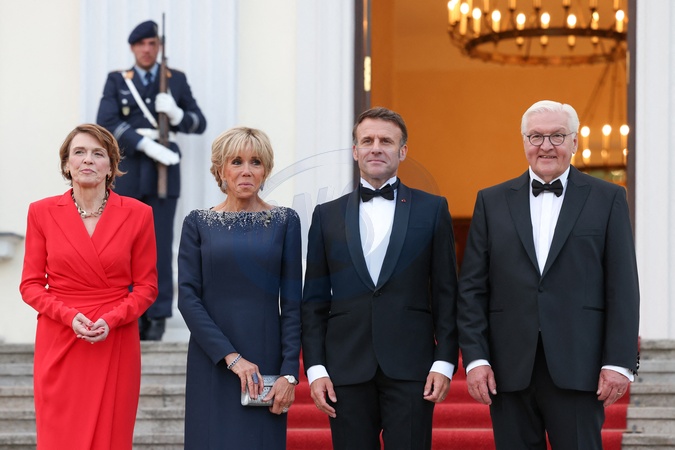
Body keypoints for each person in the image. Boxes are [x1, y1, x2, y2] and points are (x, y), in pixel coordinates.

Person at [458, 100, 640, 449]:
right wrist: (476, 358)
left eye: (557, 136)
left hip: (581, 365)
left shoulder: (609, 198)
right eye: (536, 136)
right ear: (524, 141)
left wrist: (619, 362)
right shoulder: (491, 201)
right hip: (507, 368)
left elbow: (623, 287)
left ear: (575, 142)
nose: (545, 146)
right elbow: (472, 289)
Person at [301, 107, 459, 450]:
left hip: (413, 366)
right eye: (367, 140)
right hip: (345, 367)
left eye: (386, 141)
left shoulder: (433, 209)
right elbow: (313, 300)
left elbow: (446, 292)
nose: (376, 148)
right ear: (355, 150)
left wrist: (444, 361)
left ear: (402, 151)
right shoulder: (326, 215)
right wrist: (315, 368)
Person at [19, 124, 158, 450]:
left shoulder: (139, 214)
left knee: (111, 437)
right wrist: (68, 316)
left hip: (116, 338)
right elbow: (30, 285)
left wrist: (112, 319)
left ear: (111, 166)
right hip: (60, 338)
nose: (88, 160)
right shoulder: (41, 212)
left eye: (98, 154)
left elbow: (147, 287)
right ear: (66, 164)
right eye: (79, 152)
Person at [177, 127, 302, 449]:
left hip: (265, 361)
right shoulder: (197, 223)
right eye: (236, 162)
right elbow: (188, 299)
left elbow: (292, 303)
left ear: (266, 170)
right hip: (212, 359)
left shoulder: (286, 221)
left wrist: (289, 373)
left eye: (255, 162)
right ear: (221, 170)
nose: (246, 171)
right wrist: (232, 358)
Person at [96, 19, 207, 340]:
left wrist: (176, 114)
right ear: (133, 47)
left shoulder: (175, 80)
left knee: (159, 244)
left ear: (158, 47)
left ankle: (157, 315)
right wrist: (144, 144)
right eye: (141, 44)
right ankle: (130, 311)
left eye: (152, 44)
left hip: (164, 172)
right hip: (129, 170)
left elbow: (198, 122)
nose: (147, 49)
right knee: (124, 245)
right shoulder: (118, 80)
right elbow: (106, 121)